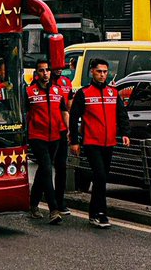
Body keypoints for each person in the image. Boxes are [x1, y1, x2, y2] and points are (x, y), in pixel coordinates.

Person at [69, 57, 130, 228]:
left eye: (105, 72)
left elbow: (122, 114)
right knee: (100, 176)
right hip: (91, 142)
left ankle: (94, 213)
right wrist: (74, 141)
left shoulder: (113, 93)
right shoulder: (84, 93)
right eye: (99, 72)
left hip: (109, 142)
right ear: (92, 72)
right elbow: (73, 118)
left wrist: (125, 133)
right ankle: (100, 213)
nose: (102, 75)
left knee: (101, 179)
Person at [25, 58, 68, 224]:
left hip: (55, 137)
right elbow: (25, 114)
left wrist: (69, 131)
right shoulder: (29, 92)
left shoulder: (58, 91)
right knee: (47, 170)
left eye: (47, 70)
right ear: (36, 73)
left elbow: (64, 111)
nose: (45, 73)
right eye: (41, 70)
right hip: (37, 137)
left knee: (43, 171)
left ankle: (33, 205)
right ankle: (53, 210)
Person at [50, 65, 73, 215]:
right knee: (45, 169)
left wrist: (70, 129)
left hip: (62, 131)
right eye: (56, 66)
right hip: (45, 132)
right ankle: (35, 201)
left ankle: (60, 201)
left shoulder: (66, 83)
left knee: (61, 167)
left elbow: (69, 106)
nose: (59, 69)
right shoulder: (40, 83)